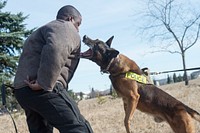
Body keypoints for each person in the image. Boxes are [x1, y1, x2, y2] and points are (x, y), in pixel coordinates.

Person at [13, 5, 93, 133]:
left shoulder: (44, 30)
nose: (78, 30)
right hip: (42, 89)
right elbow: (56, 47)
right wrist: (43, 82)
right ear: (71, 18)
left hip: (23, 91)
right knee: (78, 128)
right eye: (78, 24)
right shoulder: (65, 26)